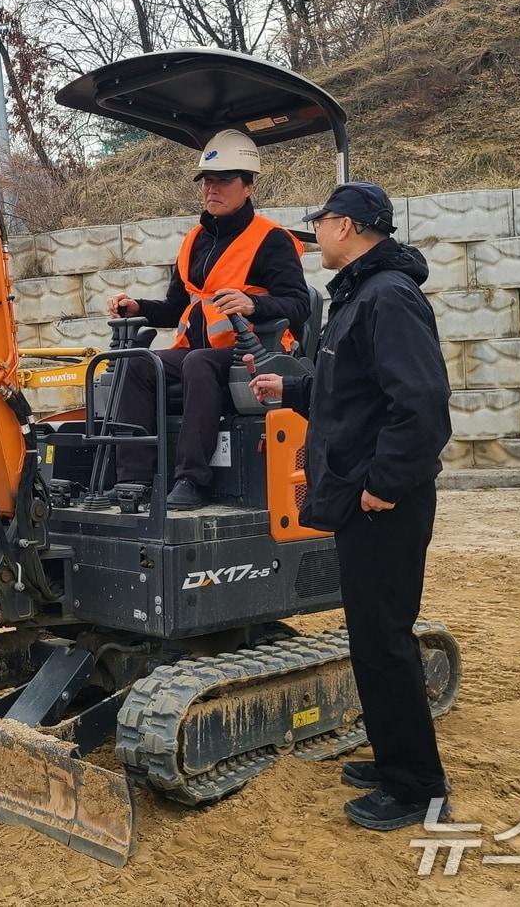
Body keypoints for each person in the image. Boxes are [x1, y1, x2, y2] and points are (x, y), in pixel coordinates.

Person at [248, 181, 454, 831]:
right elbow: (352, 394)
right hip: (362, 500)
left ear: (347, 226)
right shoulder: (359, 297)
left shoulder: (388, 298)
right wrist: (294, 386)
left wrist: (384, 485)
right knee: (369, 639)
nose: (317, 236)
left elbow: (420, 406)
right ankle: (395, 760)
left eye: (323, 224)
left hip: (382, 505)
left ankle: (416, 788)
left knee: (385, 641)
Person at [105, 129, 309, 510]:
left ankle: (192, 479)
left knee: (199, 363)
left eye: (223, 180)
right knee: (136, 363)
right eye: (207, 181)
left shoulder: (271, 240)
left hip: (254, 354)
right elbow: (175, 305)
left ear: (248, 186)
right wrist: (138, 306)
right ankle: (132, 480)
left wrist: (252, 305)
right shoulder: (193, 240)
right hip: (198, 350)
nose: (211, 189)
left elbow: (299, 306)